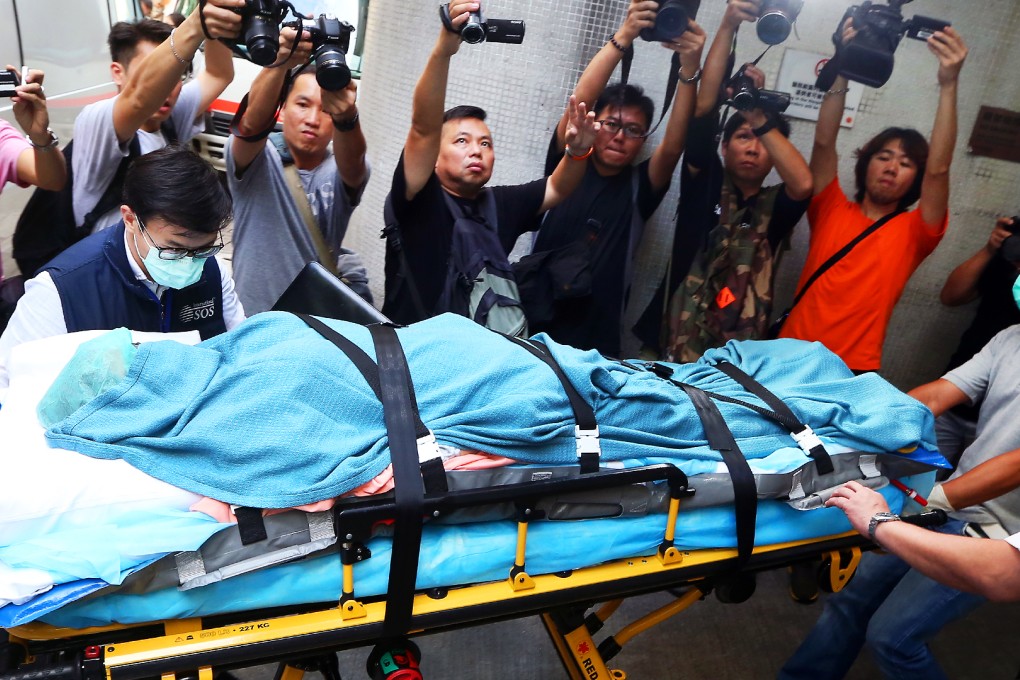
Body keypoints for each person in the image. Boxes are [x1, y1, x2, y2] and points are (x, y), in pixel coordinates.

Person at [779, 321, 1020, 679]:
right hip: (950, 506)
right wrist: (867, 428)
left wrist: (931, 501)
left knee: (893, 640)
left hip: (996, 532)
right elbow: (936, 396)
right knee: (850, 601)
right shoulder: (1011, 337)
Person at [381, 0, 597, 329]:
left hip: (486, 363)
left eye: (486, 143)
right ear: (434, 158)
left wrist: (579, 151)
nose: (477, 150)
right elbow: (424, 130)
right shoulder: (419, 200)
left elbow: (558, 186)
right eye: (461, 141)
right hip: (415, 361)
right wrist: (443, 51)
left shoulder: (499, 204)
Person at [777, 23, 968, 373]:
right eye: (884, 156)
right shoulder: (829, 206)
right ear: (866, 163)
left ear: (916, 178)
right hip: (788, 354)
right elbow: (823, 143)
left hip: (852, 369)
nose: (892, 166)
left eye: (906, 162)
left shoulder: (918, 232)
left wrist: (949, 83)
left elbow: (939, 169)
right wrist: (843, 69)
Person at [634, 0, 812, 361]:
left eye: (763, 140)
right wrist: (729, 24)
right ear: (725, 146)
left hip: (736, 361)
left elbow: (804, 185)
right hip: (667, 343)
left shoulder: (774, 207)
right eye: (743, 137)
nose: (753, 147)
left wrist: (758, 116)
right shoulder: (706, 179)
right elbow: (704, 109)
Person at [527, 0, 705, 356]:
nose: (621, 136)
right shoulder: (568, 160)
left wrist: (689, 66)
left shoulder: (642, 187)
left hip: (596, 346)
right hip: (531, 323)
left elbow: (673, 146)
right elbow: (580, 100)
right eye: (612, 124)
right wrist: (625, 34)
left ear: (642, 140)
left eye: (634, 130)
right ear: (593, 123)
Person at [0, 146, 245, 389]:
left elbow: (239, 349)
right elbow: (9, 380)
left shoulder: (212, 272)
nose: (190, 262)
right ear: (130, 219)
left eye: (204, 249)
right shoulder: (61, 290)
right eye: (173, 250)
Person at [227, 27, 371, 315]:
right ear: (283, 108)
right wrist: (281, 61)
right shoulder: (258, 159)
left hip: (314, 326)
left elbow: (354, 163)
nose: (313, 119)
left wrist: (346, 116)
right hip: (251, 318)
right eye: (302, 104)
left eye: (325, 110)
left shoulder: (338, 170)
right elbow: (251, 126)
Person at [72, 2, 241, 234]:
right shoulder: (98, 119)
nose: (167, 85)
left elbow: (218, 73)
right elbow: (140, 98)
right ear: (117, 72)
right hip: (109, 265)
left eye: (175, 73)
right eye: (154, 71)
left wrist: (220, 22)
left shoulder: (170, 117)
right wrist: (196, 23)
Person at [826, 480, 1020, 603]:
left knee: (894, 643)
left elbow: (1002, 574)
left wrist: (879, 522)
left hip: (987, 527)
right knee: (851, 599)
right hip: (961, 514)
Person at [933, 216, 1020, 472]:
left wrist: (943, 498)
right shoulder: (1007, 339)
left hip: (1003, 425)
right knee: (917, 478)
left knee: (978, 496)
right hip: (955, 398)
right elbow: (951, 296)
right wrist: (991, 249)